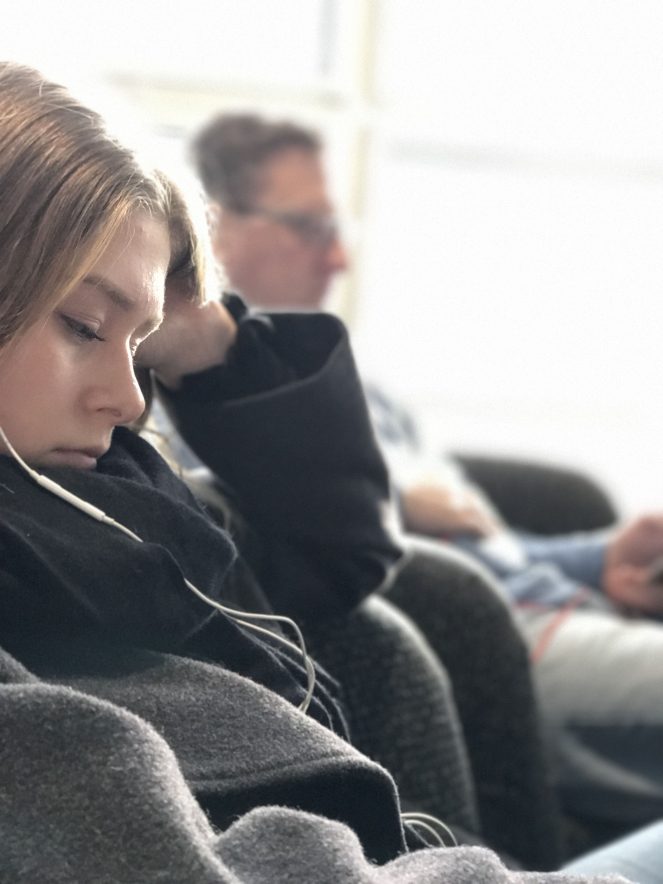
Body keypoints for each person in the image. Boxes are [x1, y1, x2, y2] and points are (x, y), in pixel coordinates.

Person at [2, 58, 655, 881]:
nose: (131, 399)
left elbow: (338, 548)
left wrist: (196, 332)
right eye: (84, 324)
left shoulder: (114, 501)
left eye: (141, 345)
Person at [190, 111, 663, 845]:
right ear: (218, 227)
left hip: (550, 601)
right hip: (504, 642)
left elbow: (484, 544)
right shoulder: (204, 400)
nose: (339, 257)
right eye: (309, 228)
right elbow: (246, 539)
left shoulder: (347, 380)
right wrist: (392, 502)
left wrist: (593, 559)